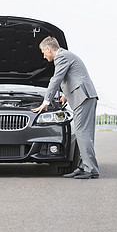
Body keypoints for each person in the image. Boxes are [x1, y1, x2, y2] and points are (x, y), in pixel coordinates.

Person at [32, 36, 100, 179]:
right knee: (84, 133)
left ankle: (91, 169)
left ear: (49, 49)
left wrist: (46, 101)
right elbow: (73, 77)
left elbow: (56, 78)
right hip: (83, 96)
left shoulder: (61, 57)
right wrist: (65, 96)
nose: (44, 56)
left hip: (83, 97)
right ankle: (84, 166)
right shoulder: (66, 56)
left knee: (82, 133)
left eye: (43, 52)